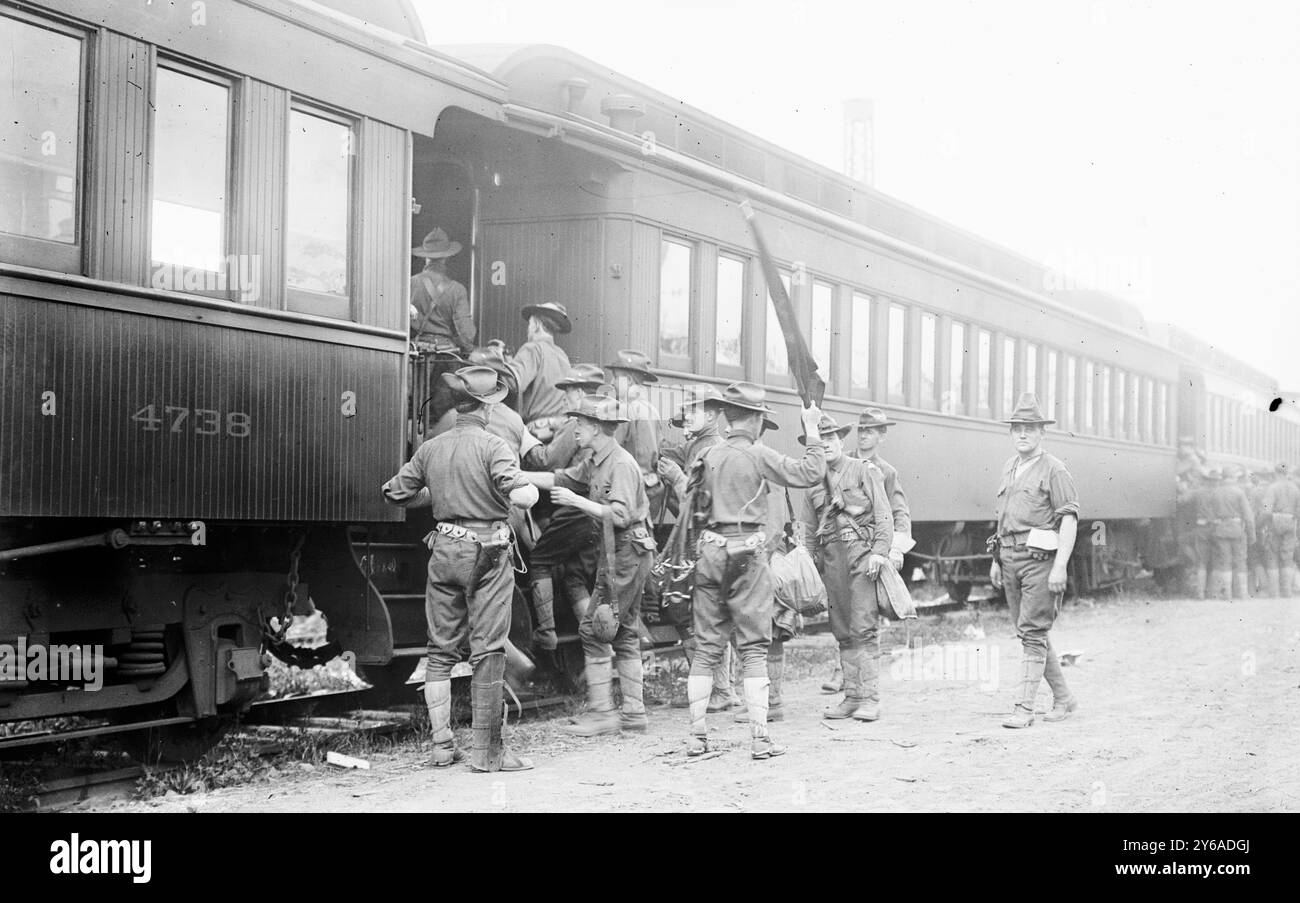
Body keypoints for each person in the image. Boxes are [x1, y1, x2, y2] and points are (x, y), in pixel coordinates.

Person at [381, 365, 540, 771]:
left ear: (456, 406)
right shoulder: (493, 446)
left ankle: (441, 746)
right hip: (486, 552)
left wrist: (442, 491)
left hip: (444, 549)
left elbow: (395, 493)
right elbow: (519, 493)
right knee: (488, 648)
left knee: (440, 650)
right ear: (487, 410)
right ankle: (488, 754)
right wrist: (529, 489)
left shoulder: (431, 448)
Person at [685, 383, 826, 759]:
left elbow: (691, 500)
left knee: (706, 649)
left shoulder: (708, 454)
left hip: (710, 553)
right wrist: (811, 429)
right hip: (746, 554)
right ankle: (760, 738)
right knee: (753, 649)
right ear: (758, 419)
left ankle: (696, 737)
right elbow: (811, 471)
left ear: (726, 418)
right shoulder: (759, 454)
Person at [520, 395, 656, 736]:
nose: (574, 431)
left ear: (595, 428)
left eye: (579, 425)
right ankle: (634, 714)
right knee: (622, 631)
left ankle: (603, 714)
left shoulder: (621, 464)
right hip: (618, 552)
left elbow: (621, 515)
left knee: (593, 629)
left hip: (626, 552)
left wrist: (578, 502)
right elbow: (559, 479)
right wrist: (516, 475)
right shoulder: (596, 460)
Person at [988, 393, 1080, 729]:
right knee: (1030, 633)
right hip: (1010, 558)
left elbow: (1068, 519)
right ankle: (1065, 698)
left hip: (1039, 561)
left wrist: (1060, 566)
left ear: (1042, 433)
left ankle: (1023, 708)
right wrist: (997, 559)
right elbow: (1003, 517)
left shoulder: (1055, 470)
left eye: (1029, 428)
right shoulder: (1010, 467)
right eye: (1017, 429)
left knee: (1033, 632)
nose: (1022, 434)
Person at [800, 414, 894, 720]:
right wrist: (807, 565)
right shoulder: (813, 482)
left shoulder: (863, 470)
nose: (826, 445)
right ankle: (852, 696)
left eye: (830, 439)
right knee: (842, 630)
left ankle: (872, 699)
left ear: (842, 441)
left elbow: (884, 515)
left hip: (860, 557)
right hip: (831, 560)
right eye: (820, 439)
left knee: (863, 627)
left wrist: (879, 553)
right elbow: (808, 529)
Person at [656, 386, 740, 713]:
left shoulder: (713, 449)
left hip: (708, 545)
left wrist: (676, 478)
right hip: (699, 544)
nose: (684, 418)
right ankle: (716, 688)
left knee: (705, 616)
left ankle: (720, 689)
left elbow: (705, 502)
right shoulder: (698, 446)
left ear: (709, 416)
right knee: (696, 615)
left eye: (691, 412)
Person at [822, 406, 912, 694]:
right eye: (860, 430)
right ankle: (846, 677)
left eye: (870, 431)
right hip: (838, 552)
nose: (863, 436)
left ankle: (862, 686)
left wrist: (894, 550)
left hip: (867, 549)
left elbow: (898, 513)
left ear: (882, 436)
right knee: (843, 619)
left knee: (864, 619)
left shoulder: (885, 472)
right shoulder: (835, 466)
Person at [526, 363, 607, 650]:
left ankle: (546, 634)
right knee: (573, 577)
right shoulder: (603, 425)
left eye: (569, 392)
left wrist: (526, 447)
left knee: (539, 560)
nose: (565, 399)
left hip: (575, 507)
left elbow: (550, 461)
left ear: (580, 393)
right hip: (598, 512)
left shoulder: (577, 423)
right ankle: (600, 646)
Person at [606, 349, 665, 522]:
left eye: (616, 377)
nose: (611, 382)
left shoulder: (625, 410)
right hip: (653, 488)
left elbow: (611, 453)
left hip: (630, 490)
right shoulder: (652, 409)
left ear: (629, 380)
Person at [513, 302, 574, 437]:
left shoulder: (532, 349)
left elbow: (514, 383)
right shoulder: (562, 355)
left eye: (529, 324)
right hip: (560, 430)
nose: (528, 329)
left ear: (536, 325)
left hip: (536, 432)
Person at [409, 228, 474, 354]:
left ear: (425, 257)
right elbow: (465, 332)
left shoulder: (410, 284)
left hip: (416, 352)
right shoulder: (457, 289)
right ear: (446, 258)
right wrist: (469, 350)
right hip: (445, 353)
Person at [1209, 465, 1255, 599]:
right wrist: (1252, 535)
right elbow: (1248, 516)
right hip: (1237, 530)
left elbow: (1211, 515)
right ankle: (1243, 593)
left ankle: (1227, 593)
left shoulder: (1215, 492)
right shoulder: (1239, 492)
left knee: (1225, 561)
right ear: (1233, 477)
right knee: (1240, 560)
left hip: (1221, 529)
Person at [1260, 463, 1299, 598]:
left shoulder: (1272, 488)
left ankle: (1274, 592)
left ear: (1276, 473)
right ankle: (1287, 591)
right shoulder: (1295, 488)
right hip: (1290, 522)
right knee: (1287, 556)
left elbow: (1266, 509)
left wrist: (1262, 523)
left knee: (1273, 555)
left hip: (1275, 522)